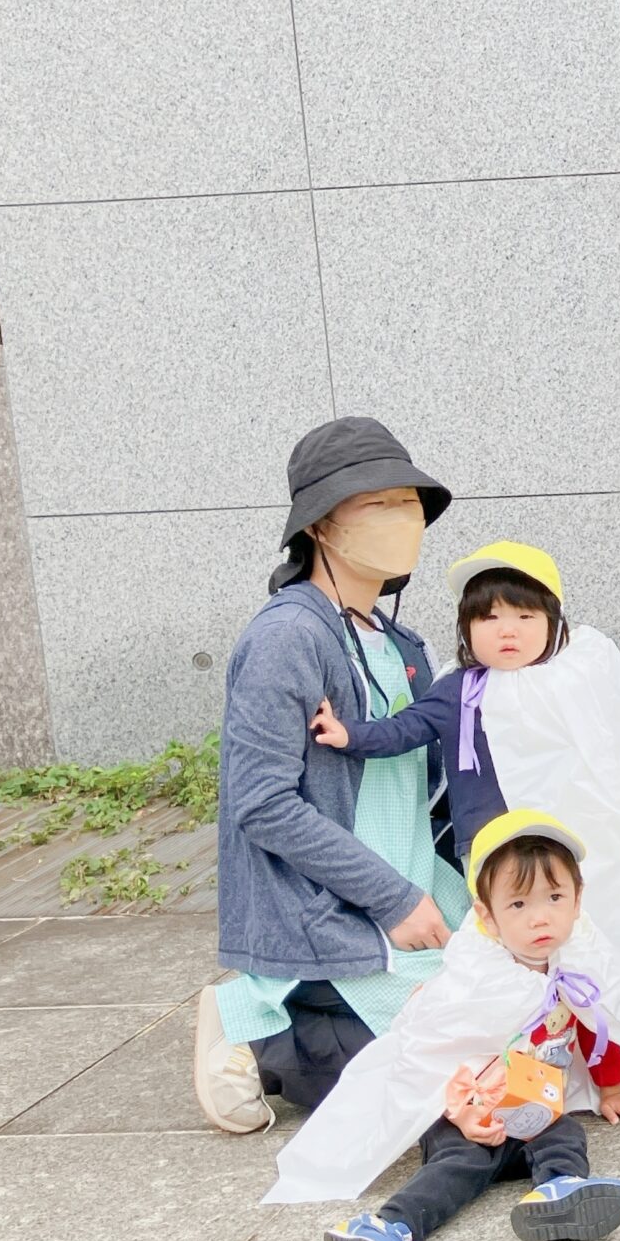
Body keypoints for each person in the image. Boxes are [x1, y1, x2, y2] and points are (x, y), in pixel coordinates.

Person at [266, 812, 620, 1241]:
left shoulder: (574, 965)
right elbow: (433, 1057)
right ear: (487, 915)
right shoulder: (474, 979)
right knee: (464, 1163)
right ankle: (389, 1227)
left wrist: (612, 1091)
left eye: (555, 898)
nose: (540, 917)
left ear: (578, 900)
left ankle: (559, 1190)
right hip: (463, 1110)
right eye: (518, 903)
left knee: (563, 1133)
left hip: (529, 1103)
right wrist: (465, 1114)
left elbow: (598, 1027)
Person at [194, 417, 467, 1135]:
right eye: (376, 504)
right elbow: (262, 803)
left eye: (408, 503)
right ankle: (251, 1022)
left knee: (512, 1037)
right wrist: (391, 898)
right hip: (333, 913)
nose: (401, 519)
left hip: (414, 893)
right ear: (320, 525)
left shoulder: (400, 641)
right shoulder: (287, 637)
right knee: (424, 1097)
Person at [311, 541, 620, 968]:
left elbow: (614, 743)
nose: (507, 631)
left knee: (567, 920)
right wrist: (349, 734)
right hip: (487, 839)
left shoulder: (568, 680)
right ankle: (517, 994)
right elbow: (403, 729)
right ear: (466, 628)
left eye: (525, 616)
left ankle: (579, 987)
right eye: (489, 618)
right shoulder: (459, 689)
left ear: (552, 623)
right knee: (503, 927)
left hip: (557, 835)